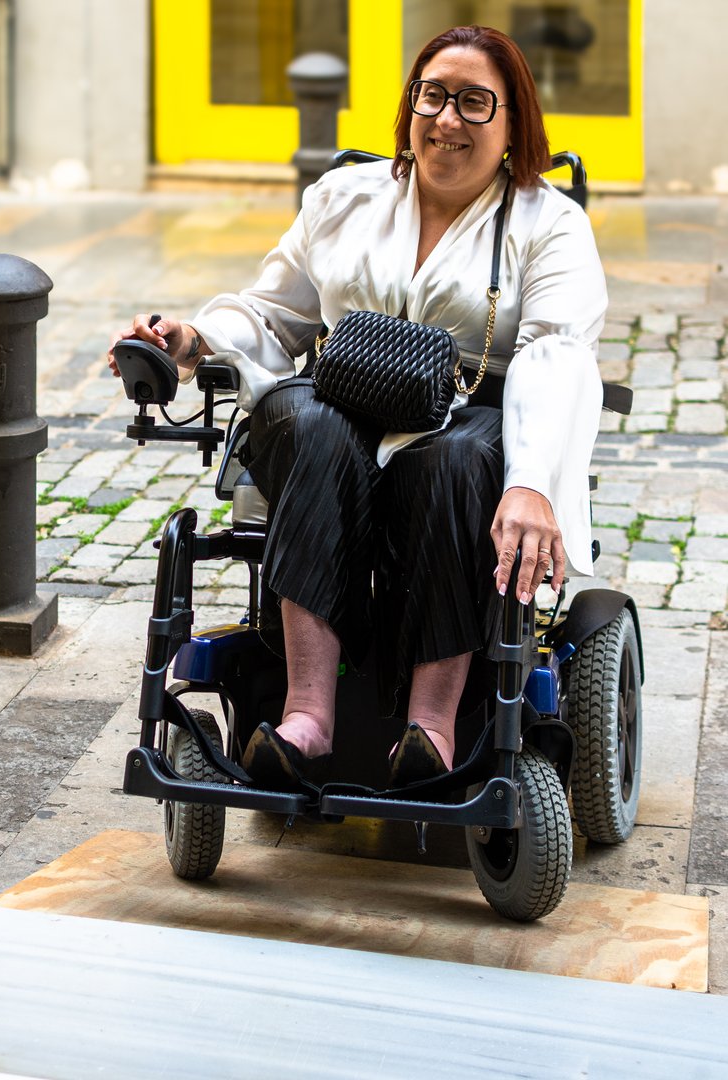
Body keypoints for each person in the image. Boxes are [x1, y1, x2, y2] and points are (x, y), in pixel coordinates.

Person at [107, 25, 606, 793]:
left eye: (475, 103)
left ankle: (431, 729)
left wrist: (532, 478)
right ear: (408, 107)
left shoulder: (549, 225)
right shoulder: (345, 198)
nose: (446, 121)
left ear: (514, 125)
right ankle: (307, 717)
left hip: (475, 413)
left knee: (457, 460)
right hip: (343, 402)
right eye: (432, 96)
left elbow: (554, 353)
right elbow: (273, 313)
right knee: (307, 425)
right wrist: (190, 335)